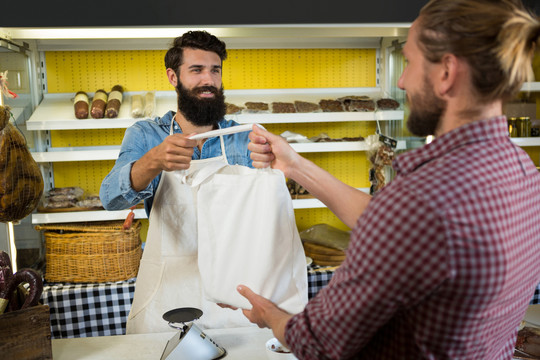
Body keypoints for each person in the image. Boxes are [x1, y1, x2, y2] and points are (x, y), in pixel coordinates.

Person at [232, 0, 540, 358]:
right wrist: (293, 165)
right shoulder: (522, 172)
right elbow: (389, 222)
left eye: (409, 62)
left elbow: (318, 343)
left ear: (446, 73)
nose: (401, 80)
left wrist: (270, 313)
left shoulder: (420, 201)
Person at [100, 30, 253, 333]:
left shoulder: (242, 136)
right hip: (169, 293)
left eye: (215, 69)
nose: (208, 79)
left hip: (233, 291)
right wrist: (153, 160)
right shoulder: (145, 134)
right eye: (196, 70)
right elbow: (110, 198)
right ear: (173, 77)